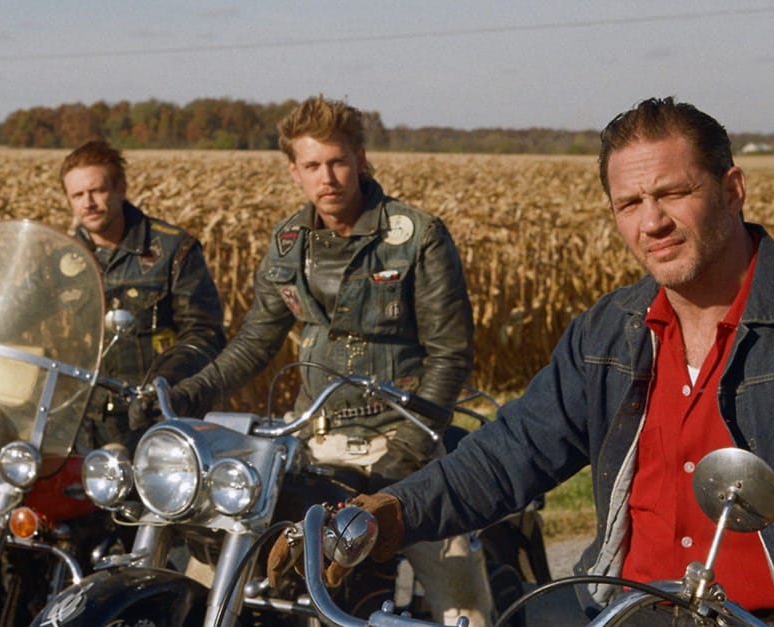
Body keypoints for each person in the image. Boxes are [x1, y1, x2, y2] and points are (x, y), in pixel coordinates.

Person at [295, 98, 774, 627]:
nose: (653, 222)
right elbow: (506, 455)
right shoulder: (606, 333)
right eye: (630, 203)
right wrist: (387, 513)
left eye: (672, 193)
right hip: (625, 614)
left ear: (732, 189)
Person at [142, 96, 494, 626]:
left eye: (337, 161)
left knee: (461, 596)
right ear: (294, 171)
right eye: (312, 165)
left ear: (361, 159)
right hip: (311, 439)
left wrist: (410, 449)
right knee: (218, 566)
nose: (326, 177)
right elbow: (256, 342)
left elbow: (450, 353)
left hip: (404, 441)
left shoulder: (416, 236)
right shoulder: (288, 245)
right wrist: (193, 390)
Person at [60, 140, 226, 452]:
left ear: (121, 188)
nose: (88, 203)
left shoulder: (173, 250)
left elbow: (205, 334)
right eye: (78, 195)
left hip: (155, 421)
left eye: (97, 191)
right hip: (79, 423)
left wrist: (161, 386)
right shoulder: (60, 259)